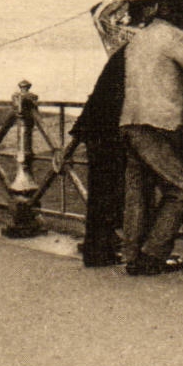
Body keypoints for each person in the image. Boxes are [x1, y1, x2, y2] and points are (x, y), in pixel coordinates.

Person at [118, 0, 183, 276]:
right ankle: (153, 253)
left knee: (137, 191)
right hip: (160, 123)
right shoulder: (176, 38)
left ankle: (131, 254)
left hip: (130, 121)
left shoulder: (138, 37)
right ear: (179, 15)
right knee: (181, 189)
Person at [72, 44, 129, 267]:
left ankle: (98, 246)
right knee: (107, 189)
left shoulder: (125, 51)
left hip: (97, 124)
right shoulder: (137, 52)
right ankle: (99, 248)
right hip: (107, 128)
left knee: (101, 190)